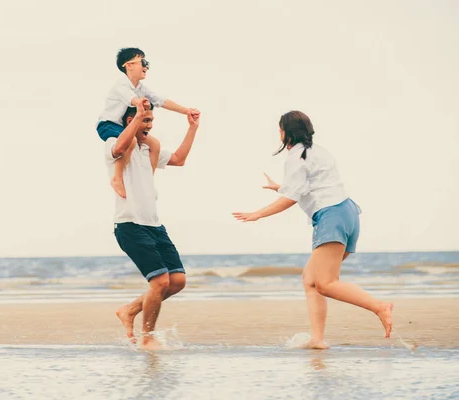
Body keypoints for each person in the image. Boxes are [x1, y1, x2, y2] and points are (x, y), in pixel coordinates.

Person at [232, 110, 393, 349]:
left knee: (326, 283)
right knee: (311, 280)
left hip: (331, 217)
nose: (278, 133)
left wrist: (258, 214)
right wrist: (280, 187)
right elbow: (311, 186)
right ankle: (318, 340)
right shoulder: (318, 152)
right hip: (348, 214)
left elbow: (292, 197)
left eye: (280, 129)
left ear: (286, 132)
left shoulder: (295, 158)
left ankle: (379, 307)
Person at [105, 99, 200, 350]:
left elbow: (179, 159)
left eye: (150, 121)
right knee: (159, 283)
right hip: (130, 225)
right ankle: (148, 337)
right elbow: (118, 148)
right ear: (131, 120)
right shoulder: (115, 145)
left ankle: (129, 310)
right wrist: (138, 117)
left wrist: (192, 128)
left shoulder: (149, 149)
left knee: (177, 281)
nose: (149, 125)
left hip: (154, 226)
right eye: (145, 120)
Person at [97, 47, 199, 198]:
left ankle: (148, 181)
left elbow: (160, 100)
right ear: (129, 65)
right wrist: (139, 102)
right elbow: (130, 98)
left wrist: (186, 110)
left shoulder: (141, 88)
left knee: (155, 144)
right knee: (130, 141)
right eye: (143, 62)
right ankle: (117, 178)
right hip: (109, 125)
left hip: (125, 127)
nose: (146, 67)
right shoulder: (122, 85)